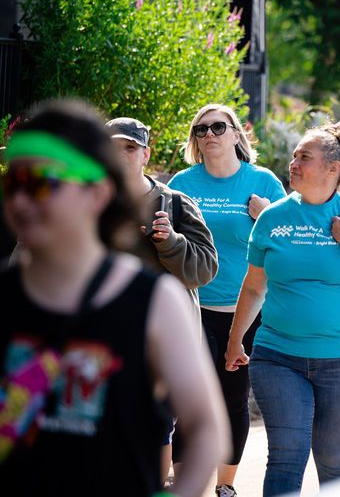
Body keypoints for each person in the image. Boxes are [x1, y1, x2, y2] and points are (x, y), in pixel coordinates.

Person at [0, 100, 228, 497]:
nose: (22, 200)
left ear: (96, 192)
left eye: (44, 182)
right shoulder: (7, 294)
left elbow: (208, 428)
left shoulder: (154, 301)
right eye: (14, 182)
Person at [225, 122, 340, 495]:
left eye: (304, 157)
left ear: (332, 168)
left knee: (334, 459)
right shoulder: (272, 217)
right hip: (278, 357)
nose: (293, 162)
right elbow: (254, 285)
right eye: (294, 155)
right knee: (287, 455)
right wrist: (235, 339)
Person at [168, 104, 286, 496]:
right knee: (189, 399)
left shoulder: (263, 182)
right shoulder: (183, 184)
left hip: (247, 311)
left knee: (233, 399)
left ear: (237, 134)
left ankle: (226, 486)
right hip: (192, 307)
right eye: (200, 130)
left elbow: (288, 242)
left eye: (219, 127)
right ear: (194, 142)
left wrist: (267, 214)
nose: (210, 135)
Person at [107, 116, 218, 481]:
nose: (120, 155)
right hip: (100, 341)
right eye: (113, 147)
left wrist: (170, 242)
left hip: (160, 343)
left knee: (156, 428)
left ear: (145, 154)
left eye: (130, 148)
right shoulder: (86, 202)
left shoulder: (175, 204)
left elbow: (204, 270)